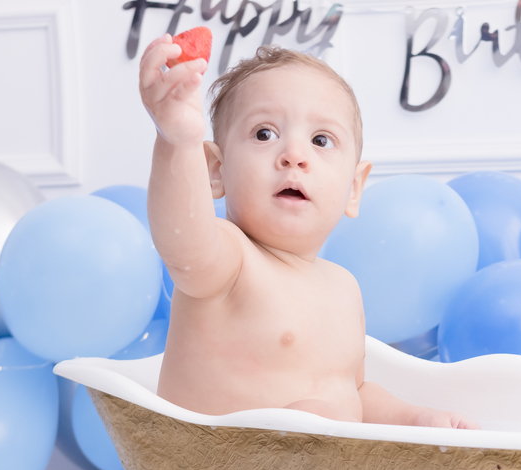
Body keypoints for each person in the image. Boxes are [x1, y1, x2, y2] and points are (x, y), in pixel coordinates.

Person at [138, 37, 479, 428]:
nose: (294, 155)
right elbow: (183, 242)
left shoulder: (344, 288)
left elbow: (355, 393)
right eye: (265, 134)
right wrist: (177, 142)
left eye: (321, 141)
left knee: (330, 416)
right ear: (215, 170)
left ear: (353, 188)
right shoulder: (230, 259)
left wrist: (416, 418)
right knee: (315, 419)